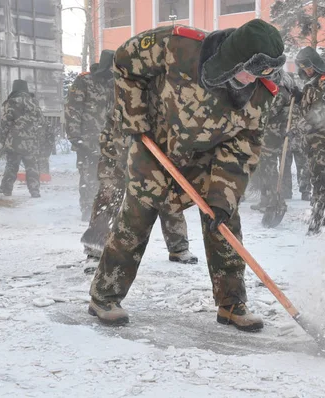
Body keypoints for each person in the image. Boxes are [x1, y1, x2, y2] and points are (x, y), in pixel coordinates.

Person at [88, 20, 285, 331]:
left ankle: (232, 304)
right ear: (235, 57)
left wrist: (222, 198)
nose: (254, 79)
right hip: (154, 143)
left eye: (264, 73)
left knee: (224, 219)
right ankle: (105, 296)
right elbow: (126, 62)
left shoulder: (260, 92)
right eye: (251, 70)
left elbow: (243, 146)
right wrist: (135, 119)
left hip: (205, 157)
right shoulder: (178, 46)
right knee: (137, 217)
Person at [83, 106, 198, 264]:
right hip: (115, 157)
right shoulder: (125, 101)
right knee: (108, 196)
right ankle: (95, 251)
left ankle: (179, 248)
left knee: (168, 195)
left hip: (153, 156)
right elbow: (109, 136)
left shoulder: (166, 101)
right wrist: (125, 155)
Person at [295, 47, 325, 231]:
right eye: (303, 67)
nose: (306, 70)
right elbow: (308, 106)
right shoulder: (312, 82)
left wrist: (299, 126)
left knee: (319, 176)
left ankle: (318, 215)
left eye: (308, 66)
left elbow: (322, 110)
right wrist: (300, 98)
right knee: (320, 172)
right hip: (312, 137)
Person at [65, 50, 115, 221]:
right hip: (88, 140)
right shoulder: (84, 81)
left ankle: (106, 210)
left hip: (111, 140)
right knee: (89, 175)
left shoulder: (116, 84)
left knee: (110, 176)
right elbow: (73, 108)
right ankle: (87, 211)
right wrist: (74, 136)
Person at [251, 72, 299, 211]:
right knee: (263, 167)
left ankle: (275, 200)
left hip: (274, 135)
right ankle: (265, 199)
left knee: (269, 167)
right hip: (266, 134)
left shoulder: (280, 92)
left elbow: (269, 112)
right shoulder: (272, 90)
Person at [0, 80, 50, 198]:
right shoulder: (34, 104)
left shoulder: (10, 103)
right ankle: (35, 190)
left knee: (12, 166)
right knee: (32, 166)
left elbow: (5, 124)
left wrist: (3, 140)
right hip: (31, 141)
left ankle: (6, 189)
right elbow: (42, 122)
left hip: (15, 142)